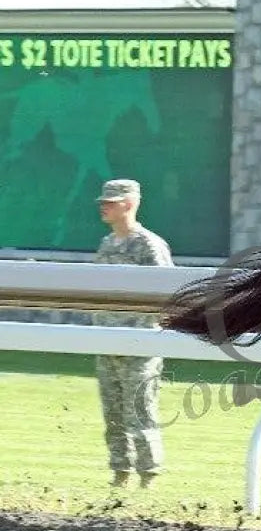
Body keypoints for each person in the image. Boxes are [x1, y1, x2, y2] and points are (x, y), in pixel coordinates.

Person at [93, 179, 173, 489]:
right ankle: (119, 473)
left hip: (139, 347)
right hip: (107, 343)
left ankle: (147, 477)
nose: (104, 206)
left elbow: (166, 295)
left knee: (140, 413)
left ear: (128, 204)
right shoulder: (106, 245)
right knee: (112, 414)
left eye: (110, 202)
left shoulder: (148, 245)